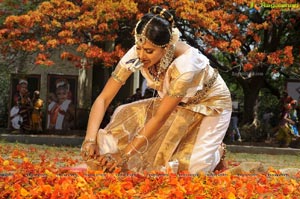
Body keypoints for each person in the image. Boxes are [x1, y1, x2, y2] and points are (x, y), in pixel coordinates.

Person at [80, 6, 232, 174]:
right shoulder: (139, 51)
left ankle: (217, 150)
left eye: (149, 51)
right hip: (176, 104)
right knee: (122, 115)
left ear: (166, 48)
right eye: (139, 48)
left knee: (194, 169)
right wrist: (89, 139)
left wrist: (123, 155)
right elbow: (104, 98)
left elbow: (160, 118)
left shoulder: (186, 65)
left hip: (212, 106)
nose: (141, 56)